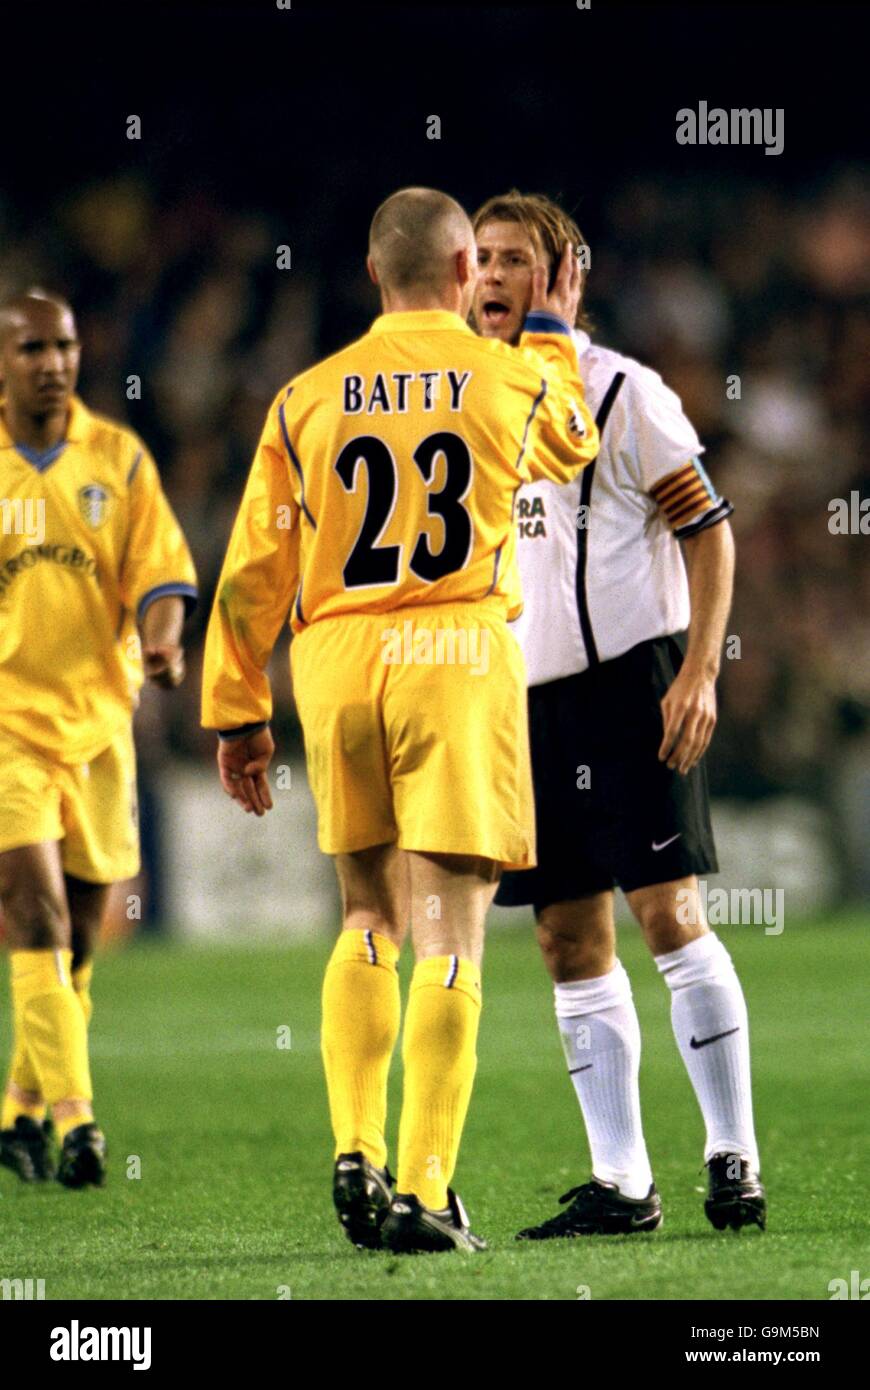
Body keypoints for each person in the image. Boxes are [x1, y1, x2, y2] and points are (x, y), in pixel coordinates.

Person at [201, 187, 598, 1253]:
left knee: (365, 914)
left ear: (376, 276)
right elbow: (573, 439)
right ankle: (423, 1189)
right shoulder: (504, 373)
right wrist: (554, 326)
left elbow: (251, 571)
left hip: (336, 659)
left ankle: (353, 1147)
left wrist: (239, 710)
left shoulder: (305, 396)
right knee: (450, 932)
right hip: (455, 652)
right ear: (469, 273)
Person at [473, 190, 765, 1237]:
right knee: (564, 934)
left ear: (563, 276)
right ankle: (624, 1182)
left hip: (630, 685)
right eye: (482, 258)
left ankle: (733, 1156)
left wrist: (698, 671)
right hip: (526, 703)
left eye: (515, 258)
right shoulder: (470, 408)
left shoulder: (622, 392)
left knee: (670, 916)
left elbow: (709, 532)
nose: (493, 275)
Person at [0, 291, 197, 1188]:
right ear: (4, 361)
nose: (54, 360)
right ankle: (79, 1125)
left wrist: (161, 638)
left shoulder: (117, 459)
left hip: (101, 728)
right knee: (32, 913)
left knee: (80, 943)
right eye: (33, 346)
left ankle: (19, 1114)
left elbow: (161, 572)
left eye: (66, 344)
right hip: (8, 734)